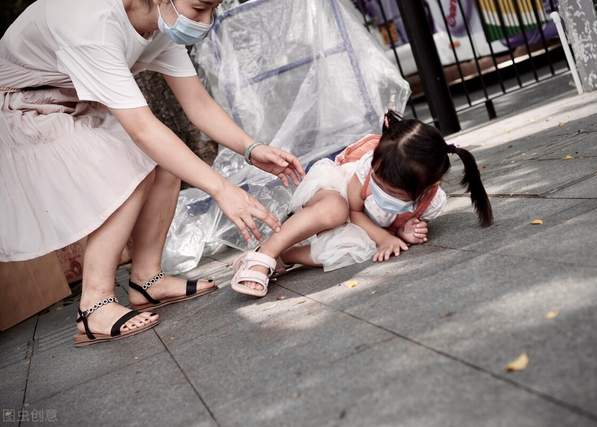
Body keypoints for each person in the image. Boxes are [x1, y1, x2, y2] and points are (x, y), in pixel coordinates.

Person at [0, 0, 304, 346]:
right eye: (200, 6)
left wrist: (252, 149)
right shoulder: (91, 21)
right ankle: (93, 306)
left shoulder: (161, 20)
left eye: (212, 8)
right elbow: (142, 131)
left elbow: (197, 103)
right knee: (131, 166)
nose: (205, 21)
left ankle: (146, 280)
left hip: (73, 102)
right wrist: (222, 190)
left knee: (164, 161)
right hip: (20, 108)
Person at [231, 111, 493, 297]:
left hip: (359, 226)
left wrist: (402, 232)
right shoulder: (367, 167)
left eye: (391, 192)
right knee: (336, 210)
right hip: (335, 196)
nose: (378, 190)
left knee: (357, 249)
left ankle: (284, 257)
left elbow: (392, 223)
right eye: (377, 181)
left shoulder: (431, 201)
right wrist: (384, 237)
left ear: (423, 190)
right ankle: (265, 253)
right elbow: (356, 210)